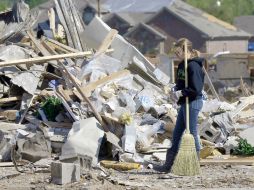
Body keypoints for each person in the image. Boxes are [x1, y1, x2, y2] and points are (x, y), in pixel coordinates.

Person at [153, 38, 205, 173]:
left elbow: (196, 89)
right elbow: (182, 83)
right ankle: (167, 166)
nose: (176, 55)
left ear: (185, 50)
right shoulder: (182, 65)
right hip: (185, 102)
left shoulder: (193, 66)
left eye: (178, 52)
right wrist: (175, 89)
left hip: (193, 102)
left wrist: (181, 93)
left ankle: (194, 164)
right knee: (176, 134)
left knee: (192, 133)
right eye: (175, 53)